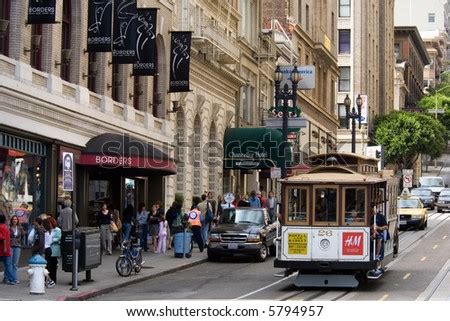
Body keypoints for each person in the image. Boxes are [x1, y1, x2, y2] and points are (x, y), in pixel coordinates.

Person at [369, 208, 389, 276]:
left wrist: (378, 227)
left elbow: (386, 227)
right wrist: (371, 228)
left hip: (379, 233)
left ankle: (377, 256)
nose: (372, 210)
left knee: (379, 238)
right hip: (370, 233)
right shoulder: (367, 217)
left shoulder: (380, 216)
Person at [0, 214, 16, 285]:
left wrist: (5, 248)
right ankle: (12, 279)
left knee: (8, 265)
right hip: (7, 250)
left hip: (2, 250)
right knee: (8, 265)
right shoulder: (6, 227)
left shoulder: (0, 227)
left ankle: (10, 279)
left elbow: (2, 238)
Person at [9, 216, 24, 284]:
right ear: (11, 220)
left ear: (17, 221)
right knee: (10, 263)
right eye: (13, 219)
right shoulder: (9, 228)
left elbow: (23, 235)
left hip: (17, 246)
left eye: (16, 219)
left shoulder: (20, 228)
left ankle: (14, 278)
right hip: (10, 246)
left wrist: (20, 241)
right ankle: (10, 278)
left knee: (15, 263)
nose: (15, 220)